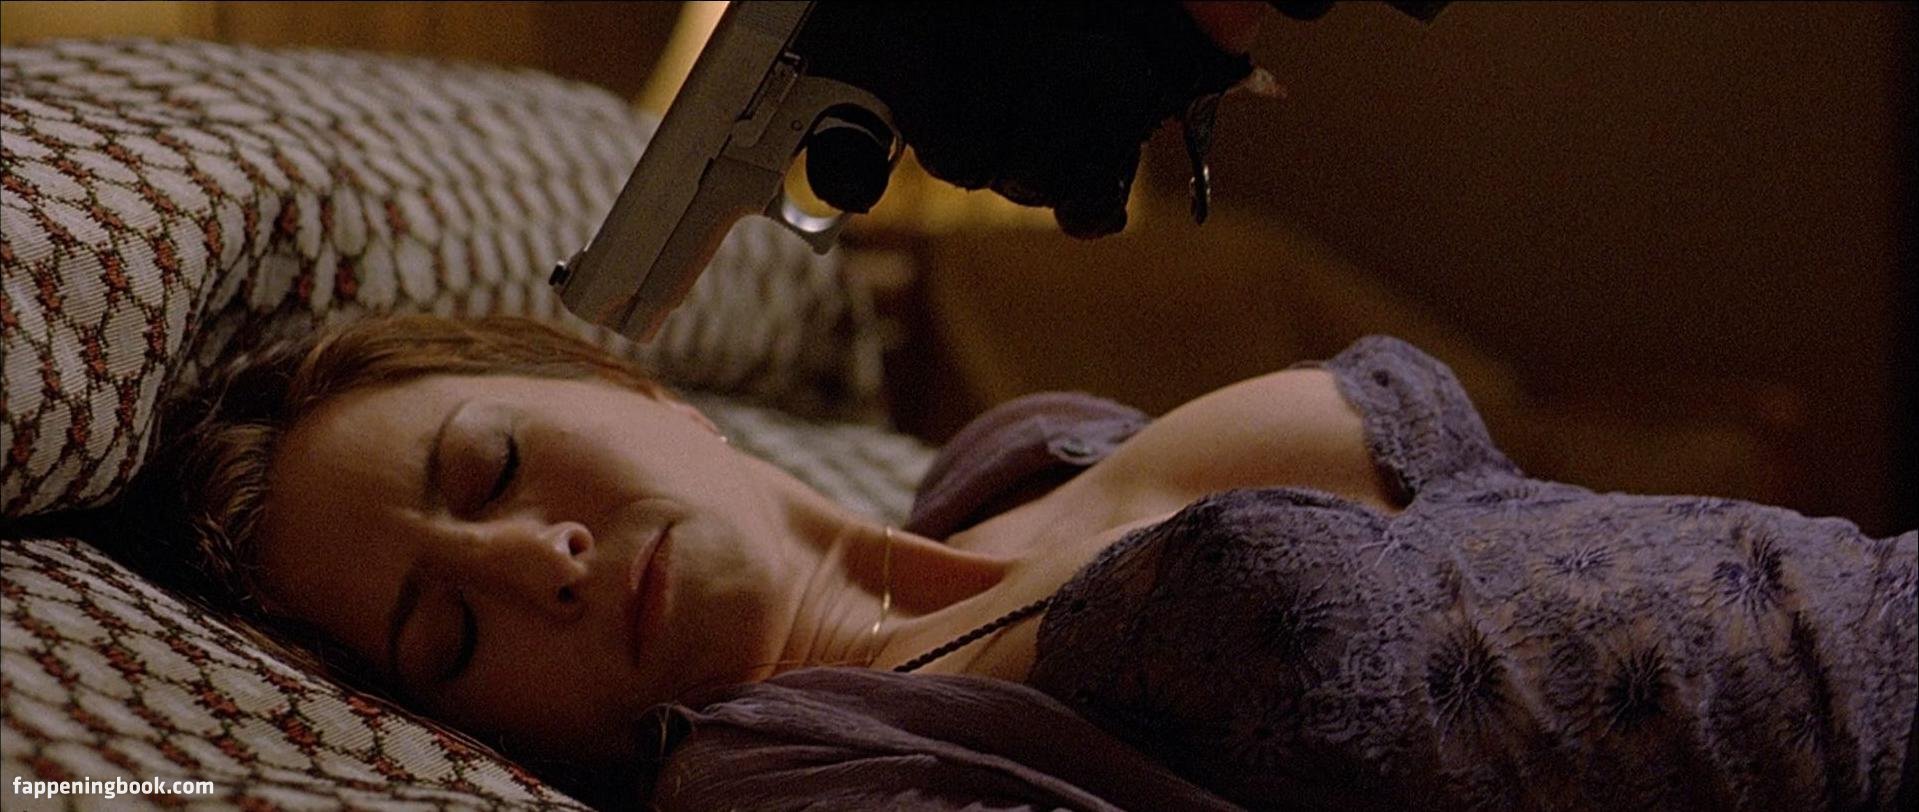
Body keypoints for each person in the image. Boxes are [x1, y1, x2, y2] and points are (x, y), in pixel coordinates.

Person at [107, 314, 1913, 810]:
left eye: (492, 471)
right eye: (447, 632)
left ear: (614, 378)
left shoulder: (1016, 453)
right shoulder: (792, 771)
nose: (541, 562)